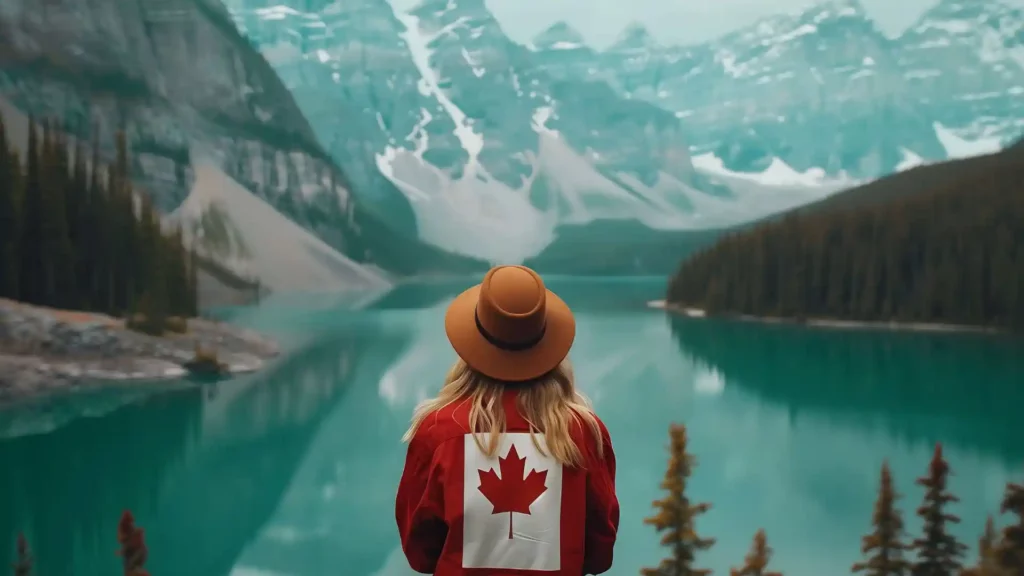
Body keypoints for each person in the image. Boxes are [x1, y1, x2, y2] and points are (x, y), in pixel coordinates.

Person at [395, 265, 619, 575]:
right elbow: (599, 553)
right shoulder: (583, 433)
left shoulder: (437, 432)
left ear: (472, 345)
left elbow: (421, 554)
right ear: (548, 345)